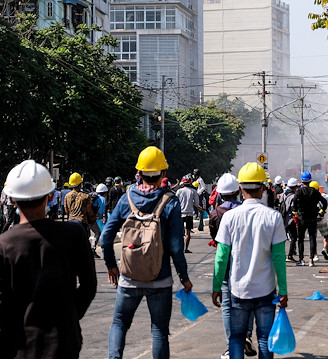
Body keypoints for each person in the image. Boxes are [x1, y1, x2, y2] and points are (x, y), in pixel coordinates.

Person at [100, 146, 193, 359]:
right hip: (160, 280)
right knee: (159, 330)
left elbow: (106, 237)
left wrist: (111, 265)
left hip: (128, 278)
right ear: (163, 174)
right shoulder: (171, 201)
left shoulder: (126, 199)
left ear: (139, 173)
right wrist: (184, 277)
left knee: (119, 324)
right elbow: (176, 247)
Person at [0, 160, 97, 358]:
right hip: (64, 342)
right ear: (51, 196)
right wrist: (69, 317)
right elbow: (89, 286)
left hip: (18, 346)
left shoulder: (4, 244)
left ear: (11, 200)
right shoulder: (74, 234)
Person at [211, 162, 288, 359]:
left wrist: (217, 286)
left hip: (238, 290)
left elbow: (221, 257)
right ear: (263, 188)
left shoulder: (230, 217)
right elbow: (279, 258)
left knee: (236, 338)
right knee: (264, 338)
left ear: (240, 189)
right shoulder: (274, 217)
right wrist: (284, 291)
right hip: (266, 290)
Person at [208, 173, 257, 359]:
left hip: (228, 266)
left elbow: (217, 242)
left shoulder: (215, 214)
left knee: (228, 305)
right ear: (238, 191)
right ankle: (247, 336)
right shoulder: (248, 211)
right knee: (249, 303)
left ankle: (232, 346)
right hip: (248, 264)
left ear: (219, 194)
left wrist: (215, 283)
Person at [292, 171, 327, 267]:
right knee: (312, 238)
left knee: (301, 239)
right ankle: (311, 260)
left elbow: (294, 201)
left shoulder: (299, 191)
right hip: (313, 217)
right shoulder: (315, 192)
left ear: (302, 181)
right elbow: (324, 202)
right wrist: (322, 211)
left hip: (302, 217)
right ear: (310, 180)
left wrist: (295, 211)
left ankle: (301, 259)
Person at [64, 172, 94, 245]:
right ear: (80, 184)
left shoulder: (67, 196)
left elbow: (66, 211)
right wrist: (92, 219)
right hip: (82, 223)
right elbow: (89, 211)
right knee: (84, 245)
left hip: (70, 222)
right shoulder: (86, 196)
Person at [176, 175, 202, 254]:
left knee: (180, 232)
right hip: (189, 214)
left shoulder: (179, 191)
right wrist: (200, 209)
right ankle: (186, 248)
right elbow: (196, 204)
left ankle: (180, 248)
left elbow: (176, 202)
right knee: (188, 232)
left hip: (180, 214)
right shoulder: (193, 191)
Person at [309, 181, 328, 260]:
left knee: (313, 238)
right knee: (325, 235)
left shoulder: (308, 197)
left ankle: (315, 254)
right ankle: (324, 248)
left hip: (312, 219)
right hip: (322, 219)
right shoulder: (322, 195)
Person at [280, 178, 300, 262]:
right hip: (291, 218)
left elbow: (280, 203)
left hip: (283, 218)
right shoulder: (294, 196)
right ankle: (290, 255)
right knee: (294, 236)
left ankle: (282, 255)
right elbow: (293, 207)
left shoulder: (284, 194)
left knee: (282, 238)